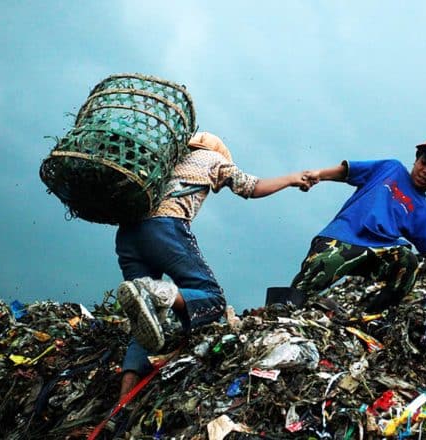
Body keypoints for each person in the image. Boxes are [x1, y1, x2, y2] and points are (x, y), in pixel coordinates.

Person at [114, 131, 313, 399]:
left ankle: (123, 401)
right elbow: (251, 187)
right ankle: (159, 291)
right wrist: (292, 178)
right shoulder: (212, 158)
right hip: (164, 227)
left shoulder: (165, 163)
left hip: (128, 236)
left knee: (143, 318)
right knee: (211, 297)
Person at [292, 137, 426, 313]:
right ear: (416, 160)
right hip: (341, 238)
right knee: (313, 278)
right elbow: (347, 171)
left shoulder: (424, 212)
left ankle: (367, 317)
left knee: (408, 263)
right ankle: (283, 309)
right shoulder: (390, 169)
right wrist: (319, 174)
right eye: (424, 162)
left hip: (378, 251)